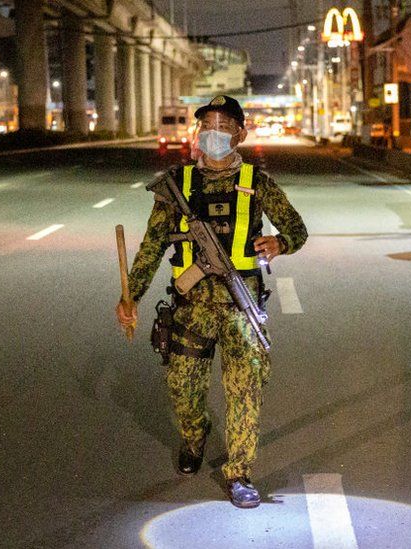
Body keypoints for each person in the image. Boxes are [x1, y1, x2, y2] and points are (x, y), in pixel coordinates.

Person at [115, 95, 307, 509]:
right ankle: (195, 433)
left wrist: (280, 242)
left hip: (241, 307)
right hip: (191, 308)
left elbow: (297, 229)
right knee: (183, 390)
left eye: (223, 126)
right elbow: (152, 246)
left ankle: (240, 472)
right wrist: (131, 294)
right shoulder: (176, 185)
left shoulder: (258, 182)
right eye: (207, 126)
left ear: (241, 132)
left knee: (245, 388)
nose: (214, 134)